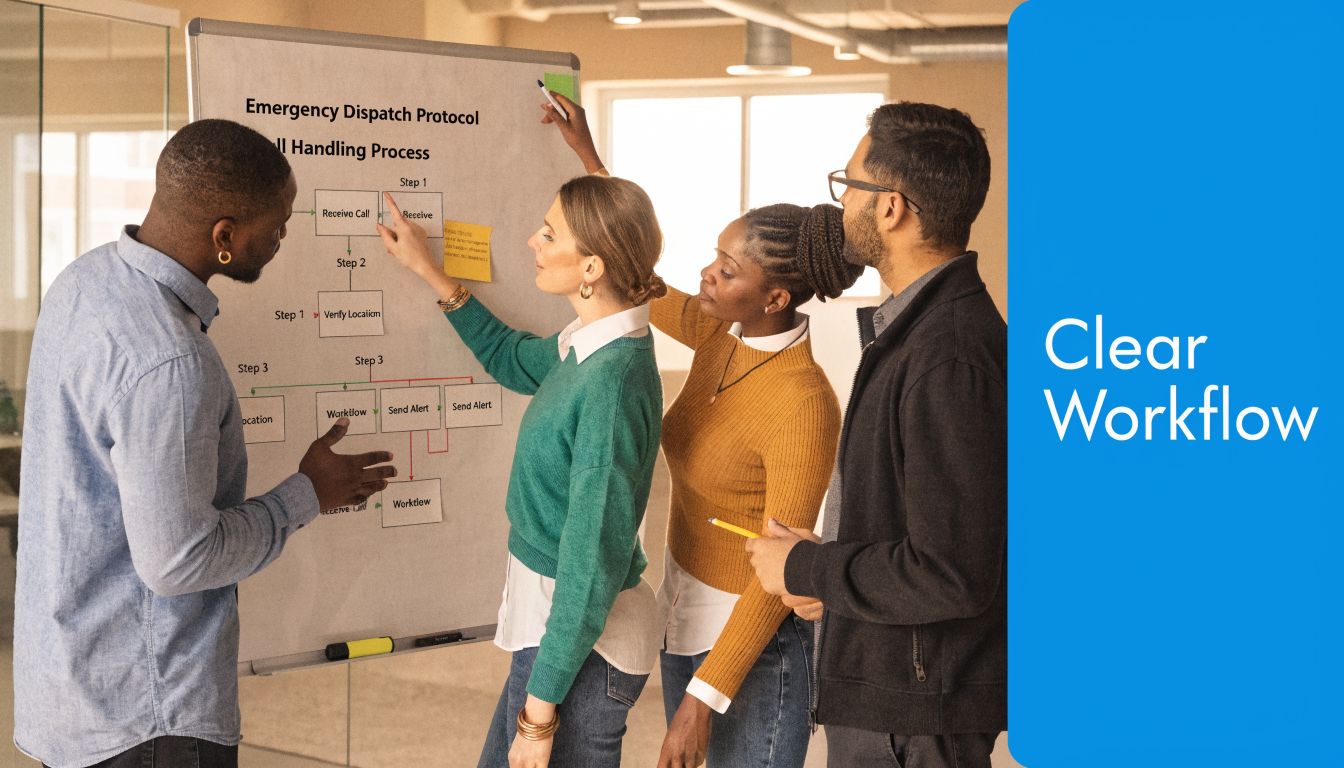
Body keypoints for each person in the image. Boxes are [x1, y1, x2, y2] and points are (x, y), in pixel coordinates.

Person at [13, 118, 396, 768]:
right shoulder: (170, 362)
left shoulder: (85, 281)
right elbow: (177, 563)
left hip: (72, 693)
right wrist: (307, 494)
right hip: (149, 718)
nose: (281, 239)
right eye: (275, 226)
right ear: (224, 236)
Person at [540, 92, 862, 768]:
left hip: (756, 648)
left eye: (727, 269)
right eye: (715, 255)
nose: (705, 275)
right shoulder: (721, 333)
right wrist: (590, 161)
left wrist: (697, 705)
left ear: (774, 298)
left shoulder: (803, 403)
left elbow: (779, 577)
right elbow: (642, 279)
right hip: (684, 609)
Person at [747, 102, 1006, 768]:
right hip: (891, 695)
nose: (841, 207)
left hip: (912, 717)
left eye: (850, 186)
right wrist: (827, 569)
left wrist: (805, 567)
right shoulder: (916, 332)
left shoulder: (946, 354)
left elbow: (952, 573)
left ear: (891, 208)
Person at [376, 175, 666, 768]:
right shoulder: (586, 347)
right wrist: (429, 272)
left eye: (549, 233)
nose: (533, 241)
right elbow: (512, 359)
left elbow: (590, 564)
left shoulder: (610, 381)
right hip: (559, 636)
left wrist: (537, 717)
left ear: (592, 266)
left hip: (583, 648)